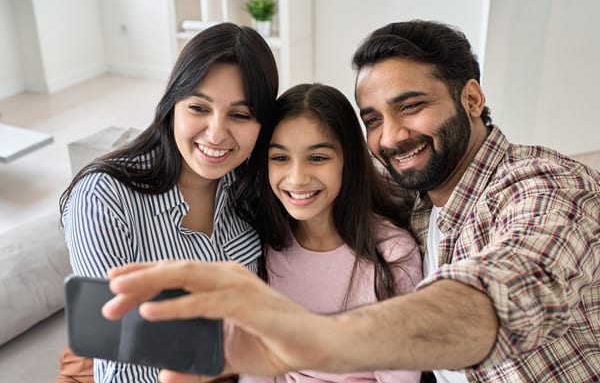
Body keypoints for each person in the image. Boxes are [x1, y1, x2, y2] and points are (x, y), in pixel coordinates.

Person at [101, 20, 600, 383]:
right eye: (374, 119)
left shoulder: (547, 186)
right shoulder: (416, 191)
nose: (393, 136)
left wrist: (316, 338)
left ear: (471, 99)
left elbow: (509, 289)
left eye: (411, 106)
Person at [56, 22, 279, 383]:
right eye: (198, 107)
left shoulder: (255, 187)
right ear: (172, 104)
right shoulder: (103, 197)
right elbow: (119, 363)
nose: (216, 133)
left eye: (240, 115)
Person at [240, 83, 422, 382]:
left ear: (347, 162)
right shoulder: (262, 245)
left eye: (318, 158)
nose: (297, 179)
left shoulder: (392, 254)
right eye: (280, 158)